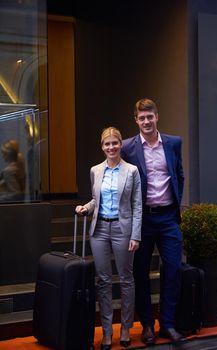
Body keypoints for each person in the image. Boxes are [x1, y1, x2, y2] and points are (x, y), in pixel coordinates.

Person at [121, 98, 185, 346]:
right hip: (142, 220)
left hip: (169, 217)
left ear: (157, 116)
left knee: (174, 269)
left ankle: (167, 323)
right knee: (140, 272)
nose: (146, 121)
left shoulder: (173, 143)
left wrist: (176, 202)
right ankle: (147, 324)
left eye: (150, 116)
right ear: (136, 120)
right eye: (141, 118)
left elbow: (179, 174)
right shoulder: (127, 147)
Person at [75, 127, 142, 350]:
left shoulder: (131, 170)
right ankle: (106, 332)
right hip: (100, 229)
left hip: (123, 230)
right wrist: (86, 207)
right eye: (107, 144)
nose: (111, 147)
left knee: (126, 279)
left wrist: (136, 234)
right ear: (102, 147)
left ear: (121, 144)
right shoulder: (95, 170)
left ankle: (125, 329)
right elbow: (96, 199)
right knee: (103, 281)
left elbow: (137, 205)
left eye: (115, 143)